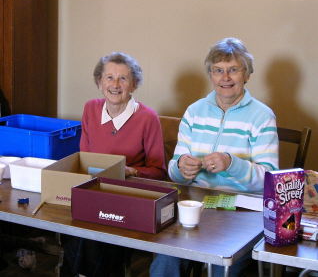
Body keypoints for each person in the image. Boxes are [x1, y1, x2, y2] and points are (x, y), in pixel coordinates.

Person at [150, 37, 279, 277]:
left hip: (243, 210)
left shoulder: (262, 116)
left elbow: (269, 181)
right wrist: (181, 167)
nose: (225, 78)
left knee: (222, 268)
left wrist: (231, 163)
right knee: (165, 261)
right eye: (218, 71)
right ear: (210, 74)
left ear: (247, 74)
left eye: (233, 70)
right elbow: (174, 172)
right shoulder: (194, 111)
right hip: (197, 204)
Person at [61, 52, 167, 277]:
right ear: (99, 83)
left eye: (123, 79)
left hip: (129, 194)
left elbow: (159, 171)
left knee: (98, 227)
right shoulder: (90, 108)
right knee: (75, 222)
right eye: (109, 78)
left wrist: (133, 171)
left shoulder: (148, 118)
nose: (115, 85)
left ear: (134, 84)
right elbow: (84, 158)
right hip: (93, 190)